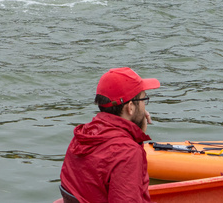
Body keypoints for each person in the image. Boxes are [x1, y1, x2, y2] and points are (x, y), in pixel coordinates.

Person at [60, 67, 161, 203]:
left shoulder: (81, 137)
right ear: (130, 107)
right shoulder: (127, 153)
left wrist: (135, 134)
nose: (144, 107)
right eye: (144, 100)